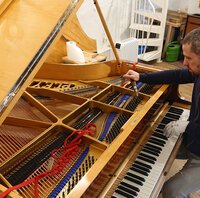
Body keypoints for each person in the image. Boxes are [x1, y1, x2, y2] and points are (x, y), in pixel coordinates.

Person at [123, 27, 200, 198]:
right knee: (146, 147)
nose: (184, 63)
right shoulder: (197, 71)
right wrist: (141, 77)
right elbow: (177, 75)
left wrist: (188, 126)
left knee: (172, 191)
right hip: (195, 138)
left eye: (188, 58)